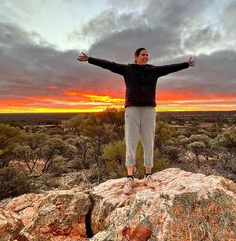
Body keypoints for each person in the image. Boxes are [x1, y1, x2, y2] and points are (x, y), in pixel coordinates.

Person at [77, 48, 195, 194]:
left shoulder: (154, 70)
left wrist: (186, 64)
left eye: (147, 55)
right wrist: (90, 59)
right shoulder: (128, 69)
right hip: (132, 109)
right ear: (136, 57)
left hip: (149, 110)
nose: (146, 57)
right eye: (143, 54)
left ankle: (148, 175)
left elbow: (170, 67)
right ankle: (130, 178)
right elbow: (109, 65)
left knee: (148, 142)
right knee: (131, 142)